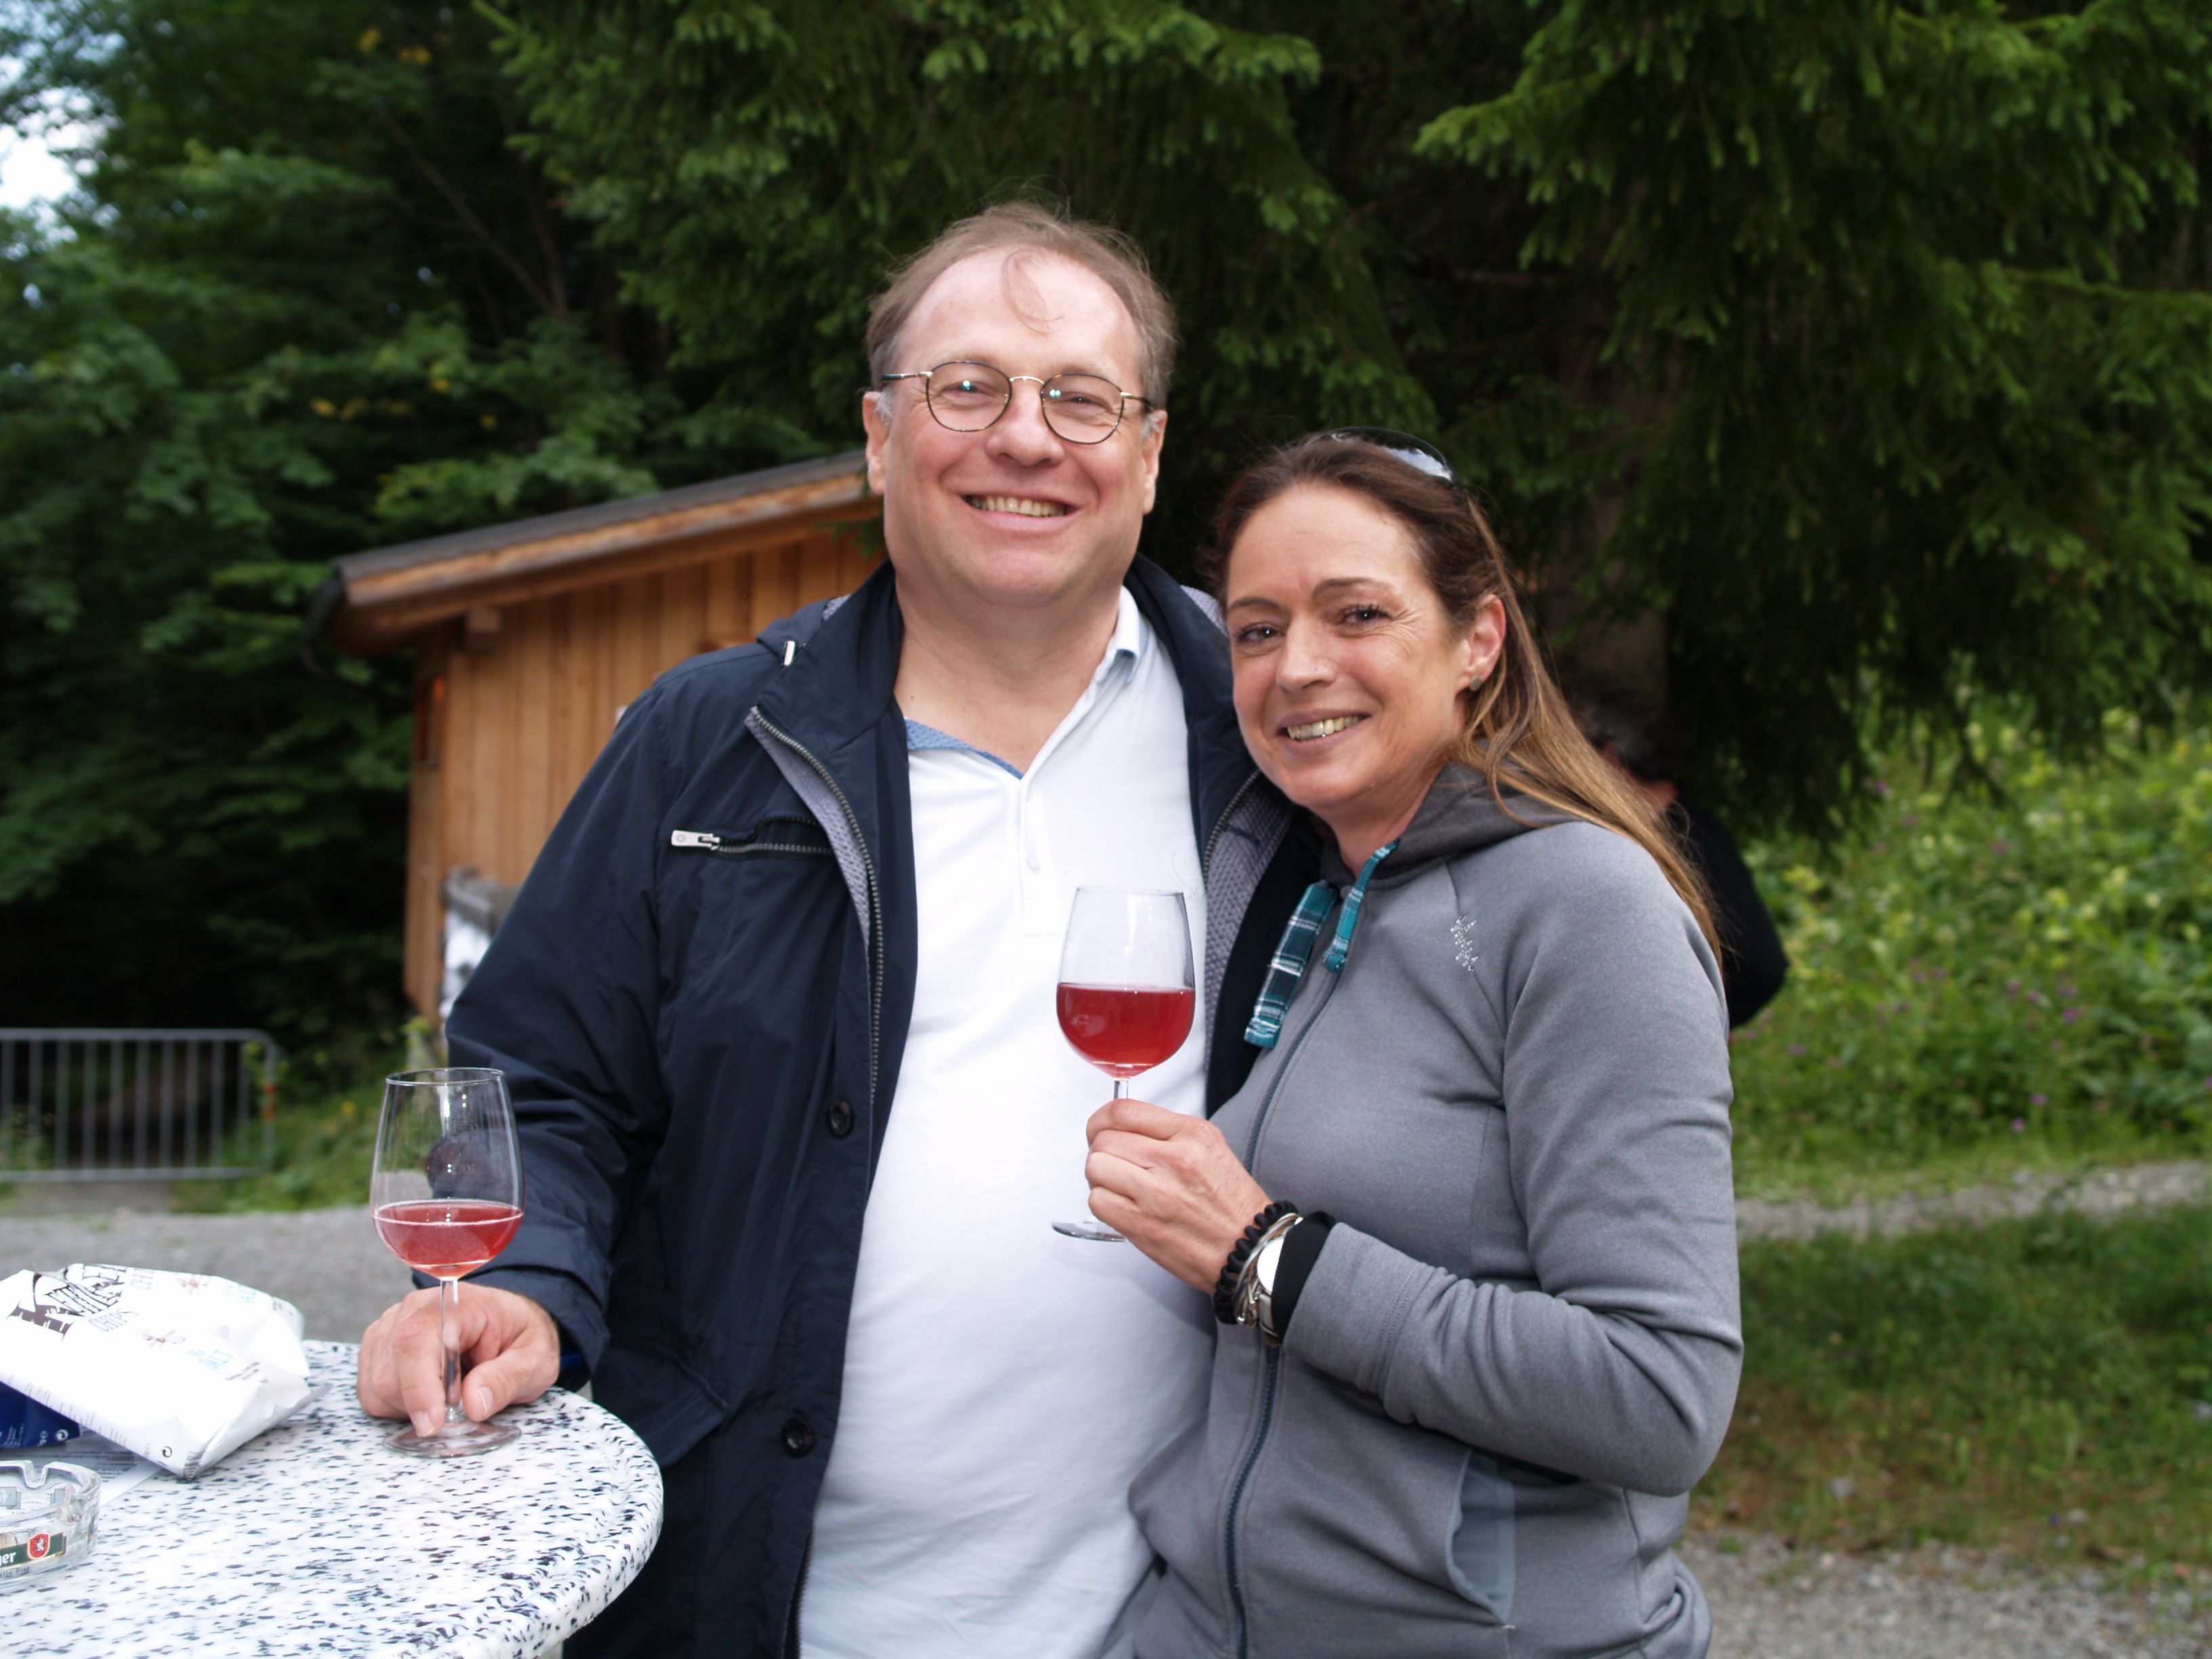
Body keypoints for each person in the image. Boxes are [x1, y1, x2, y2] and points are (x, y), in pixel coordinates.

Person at [353, 205, 1315, 1658]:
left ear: (1148, 453)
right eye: (967, 387)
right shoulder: (709, 738)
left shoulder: (1270, 742)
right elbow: (539, 1083)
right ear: (878, 437)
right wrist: (525, 1284)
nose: (1026, 437)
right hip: (756, 1592)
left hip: (1176, 1615)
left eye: (1079, 397)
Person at [1082, 432, 1742, 1659]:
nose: (1297, 666)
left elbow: (1660, 1396)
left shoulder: (1586, 906)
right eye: (1257, 629)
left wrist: (1265, 1257)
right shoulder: (1321, 885)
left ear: (1477, 639)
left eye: (1356, 613)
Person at [1576, 689, 1789, 1027]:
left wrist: (1700, 1021)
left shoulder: (1687, 841)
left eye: (1587, 755)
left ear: (1612, 760)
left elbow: (1762, 966)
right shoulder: (1684, 828)